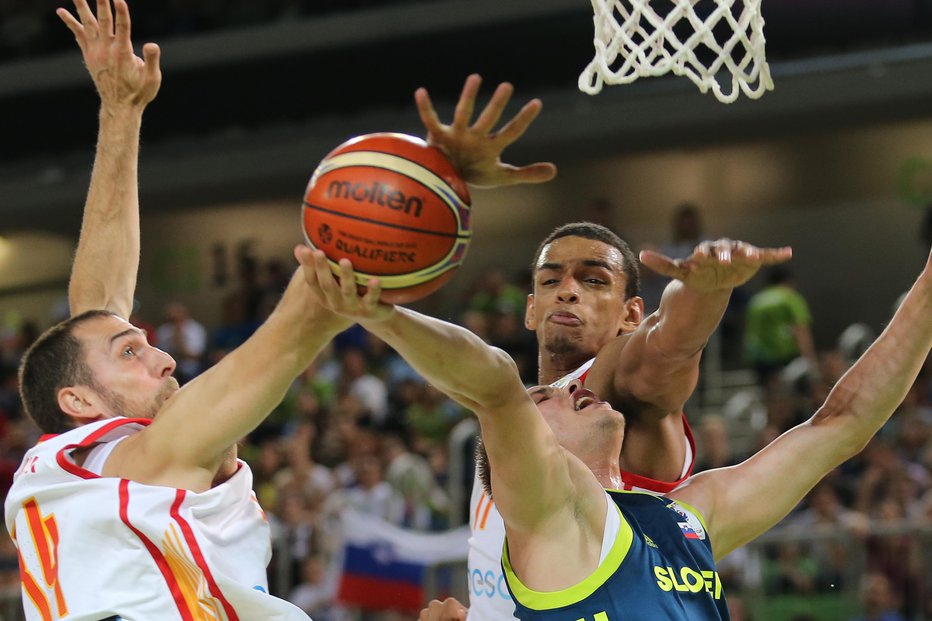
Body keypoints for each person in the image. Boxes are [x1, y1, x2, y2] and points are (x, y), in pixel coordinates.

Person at [3, 2, 552, 619]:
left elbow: (96, 312)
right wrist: (426, 179)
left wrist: (121, 111)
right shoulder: (136, 464)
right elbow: (294, 332)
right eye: (131, 352)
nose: (162, 358)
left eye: (145, 341)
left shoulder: (74, 478)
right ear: (79, 403)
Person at [303, 243, 931, 621]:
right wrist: (381, 313)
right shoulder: (548, 522)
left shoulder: (683, 519)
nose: (572, 385)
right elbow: (493, 379)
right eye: (544, 398)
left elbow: (842, 425)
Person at [416, 76, 791, 621]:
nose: (567, 288)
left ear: (630, 315)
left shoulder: (609, 390)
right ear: (528, 308)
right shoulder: (532, 414)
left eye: (593, 280)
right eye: (550, 280)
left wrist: (709, 288)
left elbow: (670, 345)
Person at [743, 265, 817, 389]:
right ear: (789, 281)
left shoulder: (756, 300)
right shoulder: (789, 297)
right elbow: (800, 329)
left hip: (756, 357)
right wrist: (810, 359)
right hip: (782, 357)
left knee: (769, 395)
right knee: (788, 397)